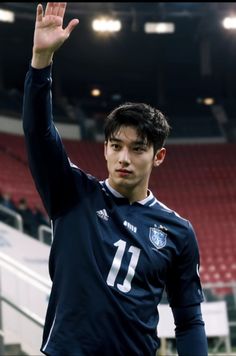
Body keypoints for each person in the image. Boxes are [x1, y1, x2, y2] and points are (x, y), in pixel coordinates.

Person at [22, 3, 208, 355]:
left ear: (158, 156)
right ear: (105, 149)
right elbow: (37, 132)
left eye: (138, 149)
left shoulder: (177, 231)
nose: (124, 158)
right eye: (116, 146)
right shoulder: (71, 193)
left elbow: (188, 319)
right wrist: (41, 61)